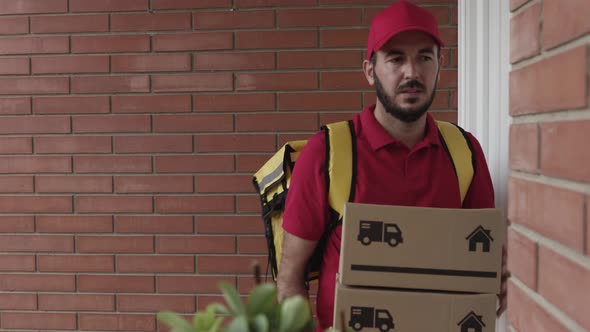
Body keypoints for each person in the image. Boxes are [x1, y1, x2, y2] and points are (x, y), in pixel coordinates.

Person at [276, 1, 508, 330]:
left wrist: (496, 283)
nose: (411, 72)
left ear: (440, 64)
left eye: (424, 57)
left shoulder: (465, 152)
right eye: (396, 58)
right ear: (370, 71)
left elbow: (483, 264)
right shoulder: (328, 153)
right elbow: (290, 281)